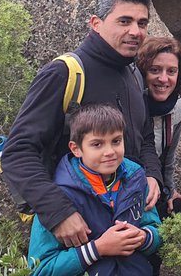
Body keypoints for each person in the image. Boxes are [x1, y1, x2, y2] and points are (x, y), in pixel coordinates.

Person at [3, 0, 163, 250]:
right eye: (124, 21)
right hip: (77, 233)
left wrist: (152, 175)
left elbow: (143, 136)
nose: (135, 31)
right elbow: (17, 151)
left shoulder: (133, 74)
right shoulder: (64, 74)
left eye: (142, 23)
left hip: (130, 225)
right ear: (96, 23)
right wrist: (58, 213)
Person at [27, 104, 162, 275]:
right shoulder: (58, 198)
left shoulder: (136, 178)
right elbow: (40, 269)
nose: (110, 152)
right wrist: (97, 249)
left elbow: (157, 229)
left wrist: (144, 237)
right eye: (97, 144)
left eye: (116, 141)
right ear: (76, 149)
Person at [137, 36, 181, 217]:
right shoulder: (129, 103)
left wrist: (170, 190)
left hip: (154, 184)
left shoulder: (179, 107)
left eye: (171, 71)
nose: (163, 79)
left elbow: (168, 158)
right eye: (155, 70)